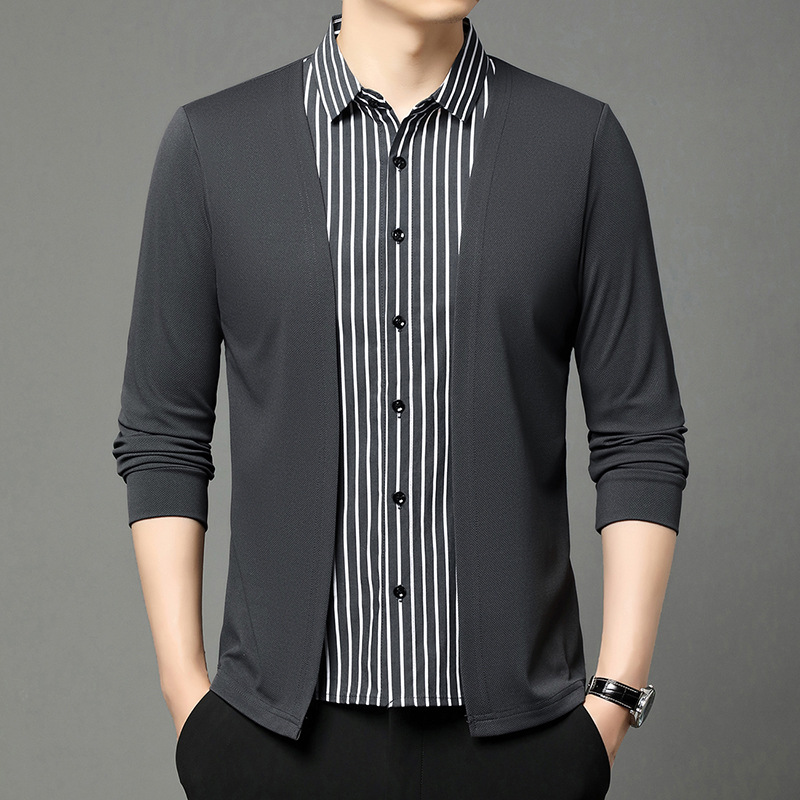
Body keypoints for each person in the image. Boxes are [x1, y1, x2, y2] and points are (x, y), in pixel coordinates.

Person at [112, 1, 689, 798]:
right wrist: (188, 699)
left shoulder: (578, 145)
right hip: (275, 746)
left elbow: (639, 435)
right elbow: (163, 436)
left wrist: (612, 704)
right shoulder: (215, 146)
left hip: (522, 750)